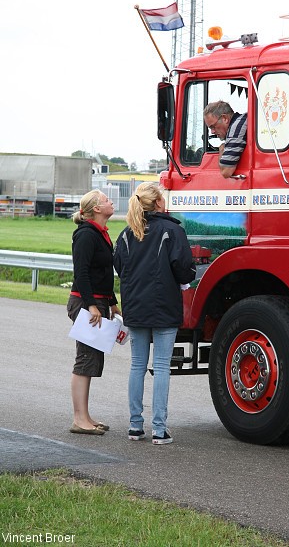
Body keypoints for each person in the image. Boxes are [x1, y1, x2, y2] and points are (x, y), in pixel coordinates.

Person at [113, 182, 196, 445]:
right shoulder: (171, 230)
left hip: (135, 307)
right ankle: (159, 429)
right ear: (159, 203)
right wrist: (186, 279)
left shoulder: (126, 234)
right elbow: (183, 267)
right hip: (164, 306)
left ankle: (135, 426)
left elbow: (119, 267)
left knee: (137, 366)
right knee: (161, 367)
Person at [67, 189, 121, 435]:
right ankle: (79, 419)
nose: (111, 202)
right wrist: (90, 305)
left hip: (98, 302)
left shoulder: (101, 234)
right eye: (106, 200)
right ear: (96, 209)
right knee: (85, 358)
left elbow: (103, 275)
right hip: (86, 303)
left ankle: (85, 416)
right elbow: (82, 273)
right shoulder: (86, 235)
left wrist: (112, 302)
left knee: (91, 359)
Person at [203, 100, 247, 178]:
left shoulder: (237, 127)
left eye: (213, 126)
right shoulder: (242, 121)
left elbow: (226, 171)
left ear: (225, 118)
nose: (212, 132)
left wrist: (222, 149)